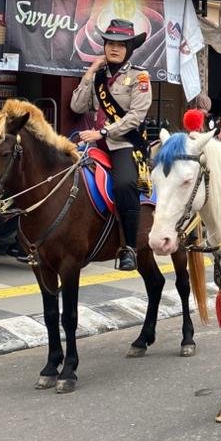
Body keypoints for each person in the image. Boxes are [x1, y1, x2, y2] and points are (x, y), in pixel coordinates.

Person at [70, 18, 152, 271]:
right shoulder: (98, 77)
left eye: (121, 44)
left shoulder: (139, 76)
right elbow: (76, 106)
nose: (114, 48)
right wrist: (90, 72)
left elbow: (136, 117)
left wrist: (103, 132)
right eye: (110, 43)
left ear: (129, 48)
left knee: (125, 185)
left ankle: (128, 248)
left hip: (123, 144)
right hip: (94, 143)